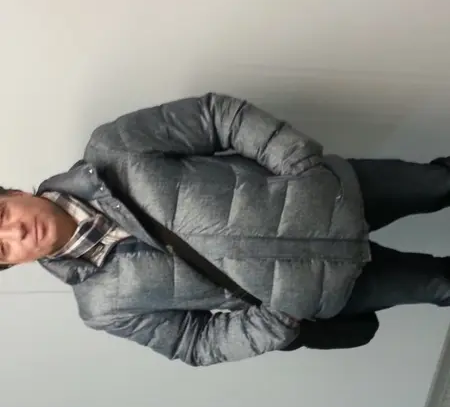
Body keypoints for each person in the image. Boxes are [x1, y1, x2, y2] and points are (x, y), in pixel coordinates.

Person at [1, 93, 449, 366]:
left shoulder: (112, 149)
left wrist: (298, 164)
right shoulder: (102, 307)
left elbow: (216, 117)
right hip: (327, 287)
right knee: (440, 286)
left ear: (13, 193)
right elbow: (195, 344)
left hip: (334, 192)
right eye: (2, 250)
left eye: (2, 217)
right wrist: (275, 321)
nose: (16, 234)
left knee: (441, 184)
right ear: (12, 264)